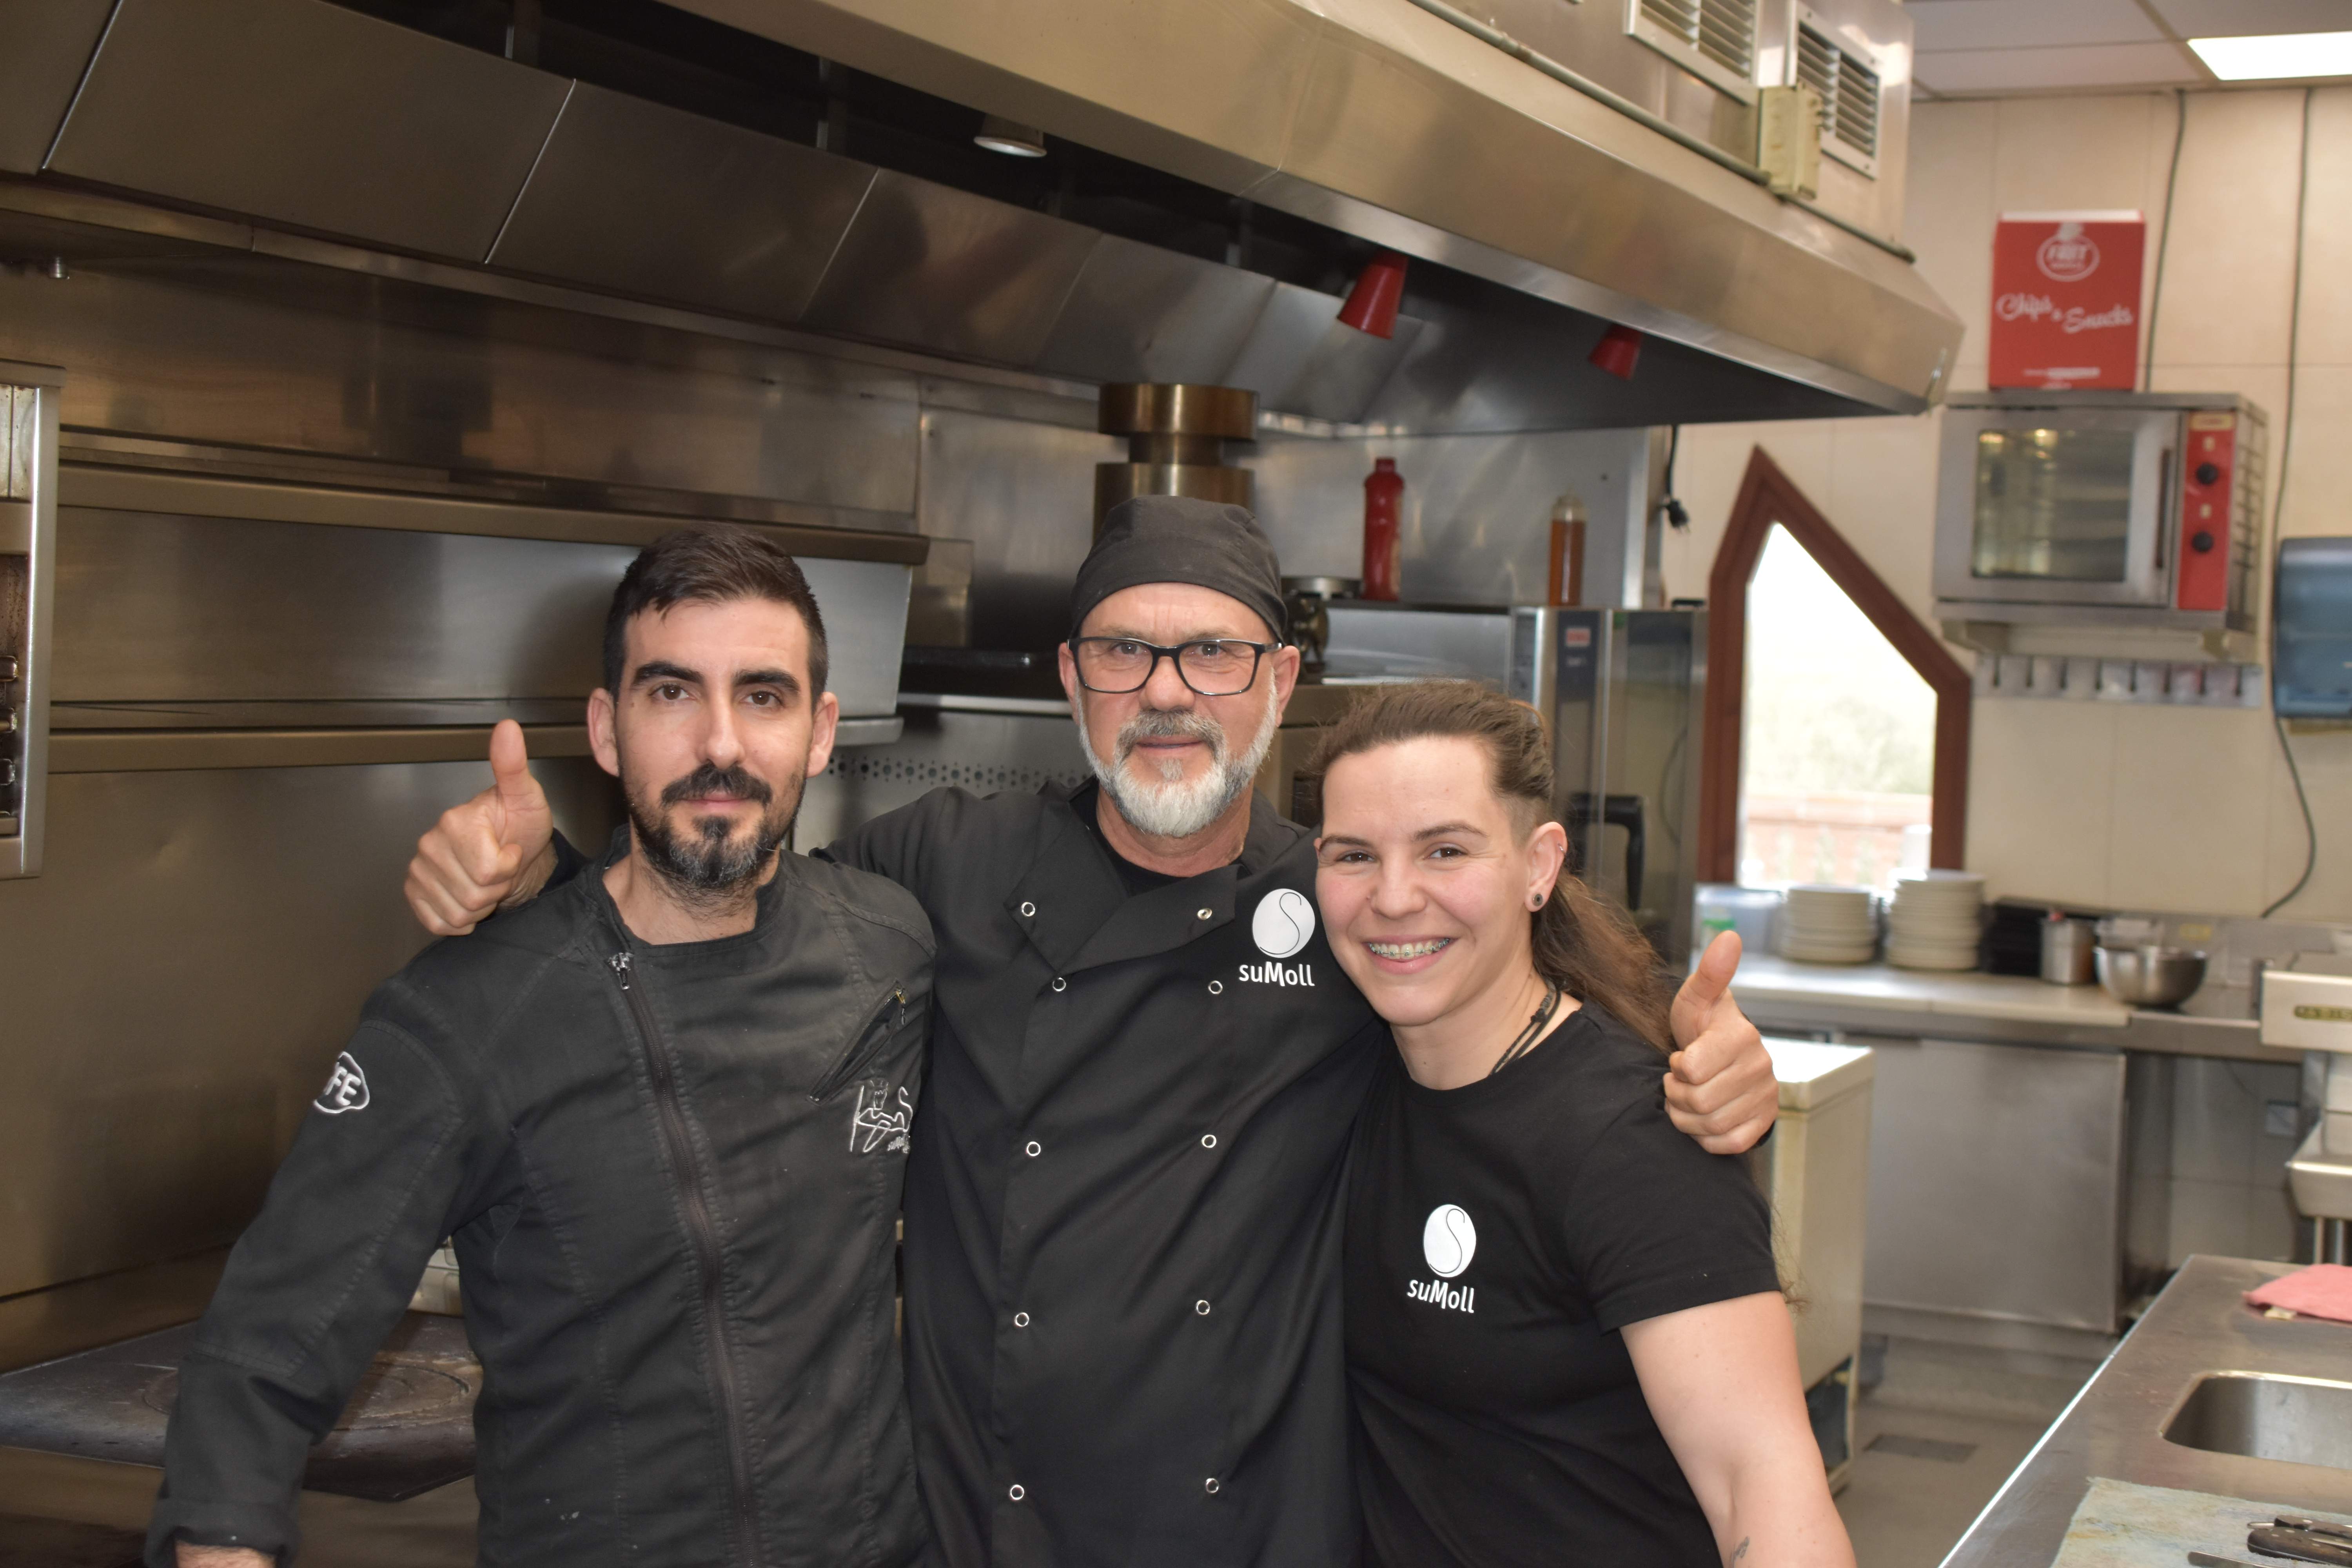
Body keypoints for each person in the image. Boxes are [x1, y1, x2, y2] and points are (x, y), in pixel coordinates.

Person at [402, 496, 1782, 1566]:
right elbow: (722, 929)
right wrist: (542, 884)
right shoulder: (940, 862)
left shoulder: (1351, 897)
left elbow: (1508, 1013)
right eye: (1126, 651)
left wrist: (1689, 1058)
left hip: (1249, 1537)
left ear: (1279, 681)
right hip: (980, 1528)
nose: (1168, 691)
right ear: (1072, 679)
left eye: (1213, 653)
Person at [151, 527, 935, 1568]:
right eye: (671, 694)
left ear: (822, 731)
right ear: (606, 732)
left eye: (762, 696)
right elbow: (266, 1351)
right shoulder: (471, 1014)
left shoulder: (889, 950)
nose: (721, 748)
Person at [1315, 681, 1853, 1568]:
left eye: (1445, 849)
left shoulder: (1627, 1139)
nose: (1395, 895)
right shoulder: (1342, 1065)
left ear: (1539, 864)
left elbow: (1760, 1480)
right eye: (1353, 855)